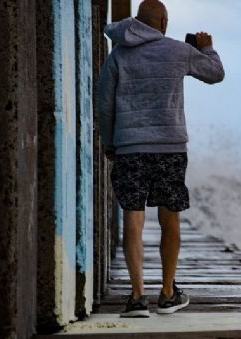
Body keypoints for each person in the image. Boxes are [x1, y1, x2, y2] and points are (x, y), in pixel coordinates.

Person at [98, 0, 224, 317]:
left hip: (130, 147)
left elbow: (105, 106)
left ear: (136, 22)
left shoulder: (118, 54)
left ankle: (138, 296)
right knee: (170, 218)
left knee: (133, 218)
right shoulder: (178, 51)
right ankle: (167, 294)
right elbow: (215, 75)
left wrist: (110, 143)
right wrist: (207, 48)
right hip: (169, 147)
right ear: (164, 21)